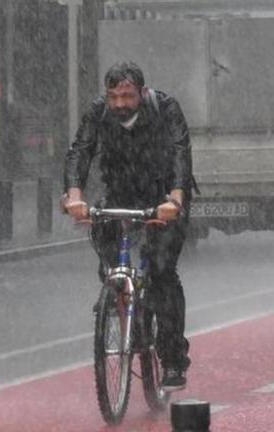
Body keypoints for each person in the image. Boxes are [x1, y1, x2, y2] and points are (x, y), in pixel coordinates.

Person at [62, 61, 195, 388]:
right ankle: (119, 300)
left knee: (163, 271)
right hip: (120, 192)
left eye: (127, 96)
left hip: (163, 195)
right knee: (107, 253)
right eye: (113, 97)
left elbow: (181, 153)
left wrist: (175, 199)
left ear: (141, 92)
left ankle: (173, 359)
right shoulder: (98, 113)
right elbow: (80, 151)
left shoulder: (164, 109)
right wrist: (75, 196)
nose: (120, 104)